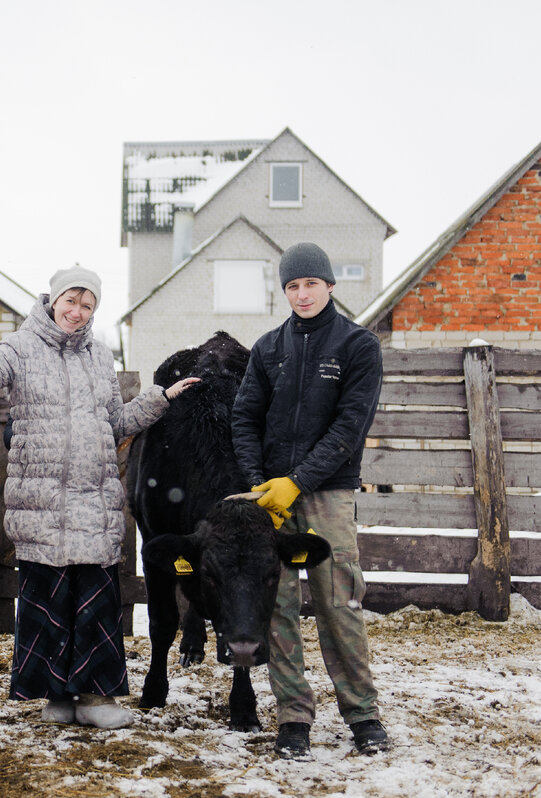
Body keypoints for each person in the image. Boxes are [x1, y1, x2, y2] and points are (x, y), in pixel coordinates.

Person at [0, 267, 197, 729]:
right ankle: (56, 697)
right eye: (71, 301)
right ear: (54, 300)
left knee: (94, 603)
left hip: (93, 501)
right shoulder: (20, 346)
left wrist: (161, 399)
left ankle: (95, 699)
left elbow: (116, 423)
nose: (77, 312)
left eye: (87, 305)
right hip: (43, 503)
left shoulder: (99, 356)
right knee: (49, 602)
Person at [230, 242, 390, 758]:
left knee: (338, 602)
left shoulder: (357, 346)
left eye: (311, 284)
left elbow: (350, 427)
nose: (302, 294)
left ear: (330, 286)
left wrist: (298, 480)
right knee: (275, 608)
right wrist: (261, 485)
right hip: (272, 499)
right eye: (292, 286)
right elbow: (245, 418)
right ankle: (293, 716)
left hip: (328, 494)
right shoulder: (268, 349)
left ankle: (362, 714)